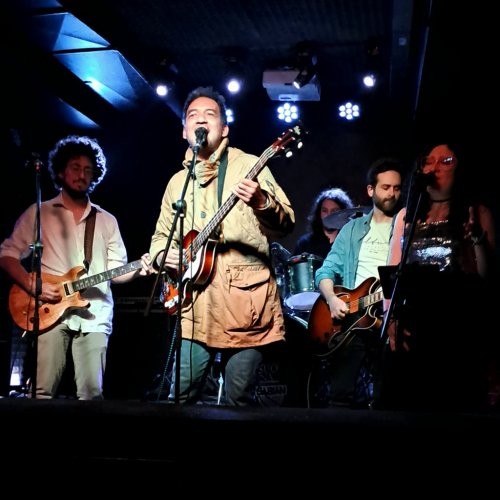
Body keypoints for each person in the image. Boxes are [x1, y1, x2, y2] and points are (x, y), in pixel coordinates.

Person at [149, 86, 295, 406]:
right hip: (195, 307)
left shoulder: (250, 165)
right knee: (179, 396)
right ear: (184, 130)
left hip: (246, 308)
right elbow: (161, 237)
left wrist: (261, 201)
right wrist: (163, 256)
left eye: (210, 114)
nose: (201, 120)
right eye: (193, 116)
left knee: (237, 400)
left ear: (224, 129)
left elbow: (285, 225)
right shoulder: (177, 182)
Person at [0, 135, 152, 399]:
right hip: (49, 310)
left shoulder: (107, 220)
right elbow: (7, 254)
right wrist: (31, 284)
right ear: (61, 171)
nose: (81, 175)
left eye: (88, 170)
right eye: (75, 167)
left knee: (92, 395)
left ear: (95, 176)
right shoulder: (40, 212)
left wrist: (140, 268)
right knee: (42, 392)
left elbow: (117, 272)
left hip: (95, 315)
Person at [374, 141, 497, 412]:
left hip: (454, 327)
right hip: (412, 325)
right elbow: (393, 274)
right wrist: (390, 318)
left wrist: (477, 239)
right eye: (429, 161)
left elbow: (486, 278)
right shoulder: (406, 216)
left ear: (460, 169)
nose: (435, 167)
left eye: (446, 161)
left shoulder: (476, 212)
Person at [311, 157, 403, 408]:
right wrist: (332, 299)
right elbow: (325, 271)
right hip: (354, 316)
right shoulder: (352, 229)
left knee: (389, 398)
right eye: (385, 187)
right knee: (340, 394)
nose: (392, 194)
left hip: (391, 316)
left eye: (396, 188)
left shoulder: (406, 227)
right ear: (371, 190)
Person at [294, 187, 354, 258]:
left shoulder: (352, 243)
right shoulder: (304, 244)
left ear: (344, 213)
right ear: (319, 213)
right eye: (325, 211)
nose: (329, 215)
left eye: (334, 211)